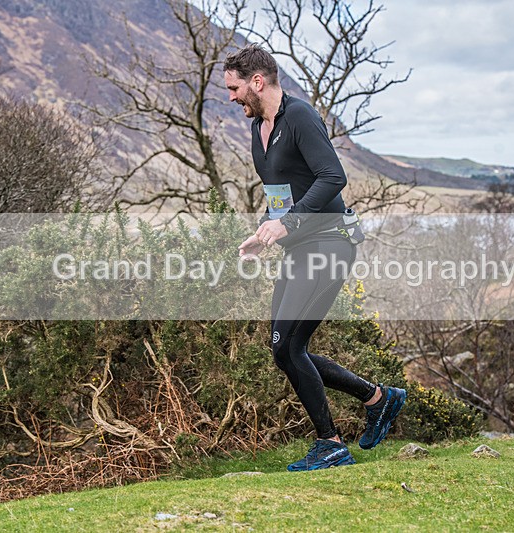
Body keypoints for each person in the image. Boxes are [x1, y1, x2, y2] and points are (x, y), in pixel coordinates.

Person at [223, 44, 406, 471]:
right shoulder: (259, 129)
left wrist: (286, 224)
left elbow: (332, 177)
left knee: (285, 343)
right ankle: (379, 398)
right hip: (300, 247)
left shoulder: (300, 116)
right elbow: (282, 194)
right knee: (285, 350)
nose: (231, 98)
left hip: (330, 244)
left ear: (257, 81)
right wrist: (263, 232)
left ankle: (330, 444)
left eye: (234, 88)